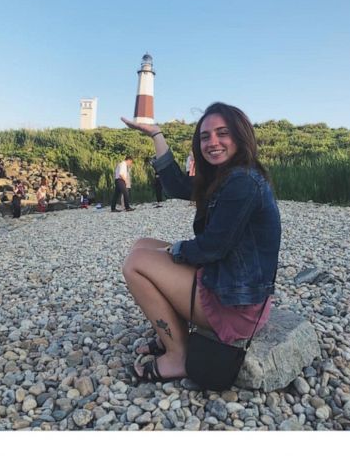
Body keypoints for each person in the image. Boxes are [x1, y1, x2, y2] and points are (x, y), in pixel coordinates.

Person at [118, 103, 281, 382]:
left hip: (237, 308)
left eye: (222, 133)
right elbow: (177, 185)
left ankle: (178, 354)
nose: (213, 142)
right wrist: (157, 134)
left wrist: (176, 249)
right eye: (205, 137)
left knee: (136, 264)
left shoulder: (242, 181)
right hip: (230, 285)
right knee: (141, 245)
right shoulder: (227, 175)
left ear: (241, 136)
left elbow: (211, 248)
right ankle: (176, 331)